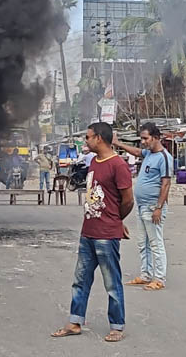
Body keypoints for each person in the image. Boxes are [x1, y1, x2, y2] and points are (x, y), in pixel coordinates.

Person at [51, 122, 134, 342]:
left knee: (112, 282)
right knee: (80, 279)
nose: (85, 141)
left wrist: (116, 220)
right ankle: (75, 321)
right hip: (88, 232)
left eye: (88, 137)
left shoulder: (118, 165)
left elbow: (128, 200)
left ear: (99, 138)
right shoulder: (94, 162)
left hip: (106, 235)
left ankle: (117, 326)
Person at [115, 123, 173, 291]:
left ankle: (159, 278)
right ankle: (145, 274)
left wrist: (158, 207)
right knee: (143, 243)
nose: (143, 142)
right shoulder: (148, 153)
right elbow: (136, 152)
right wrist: (118, 144)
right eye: (141, 138)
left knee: (155, 243)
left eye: (146, 138)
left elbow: (166, 184)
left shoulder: (164, 157)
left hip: (152, 206)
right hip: (141, 206)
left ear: (156, 138)